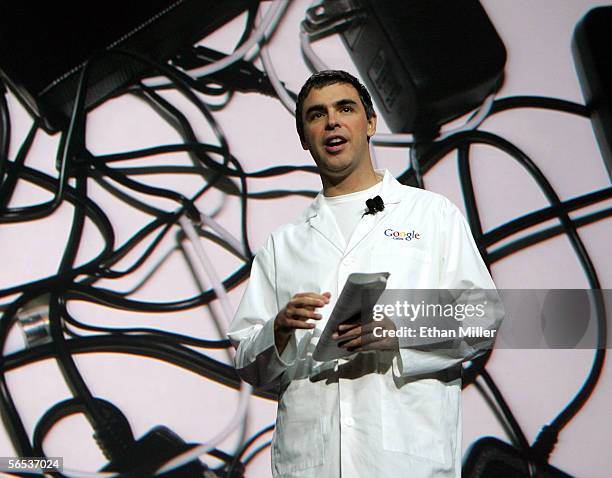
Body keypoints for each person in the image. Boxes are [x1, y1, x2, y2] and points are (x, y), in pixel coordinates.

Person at [227, 70, 497, 478]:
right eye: (316, 115)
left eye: (345, 108)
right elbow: (248, 361)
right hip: (313, 465)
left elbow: (484, 317)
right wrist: (278, 330)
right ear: (305, 138)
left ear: (370, 123)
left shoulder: (431, 214)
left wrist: (399, 330)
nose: (331, 121)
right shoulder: (283, 244)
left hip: (405, 462)